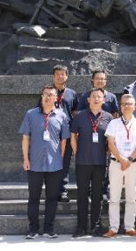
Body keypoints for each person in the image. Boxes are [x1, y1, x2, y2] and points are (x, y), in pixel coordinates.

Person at [19, 85, 70, 239]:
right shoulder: (31, 114)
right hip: (34, 163)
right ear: (41, 96)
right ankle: (33, 229)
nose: (48, 97)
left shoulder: (61, 116)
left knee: (52, 198)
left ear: (56, 98)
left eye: (51, 94)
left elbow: (64, 140)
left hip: (55, 164)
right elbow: (25, 138)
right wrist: (26, 159)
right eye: (45, 94)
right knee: (34, 197)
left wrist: (60, 158)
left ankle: (49, 229)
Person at [70, 88, 114, 238]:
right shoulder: (80, 116)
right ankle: (81, 227)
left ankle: (95, 226)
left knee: (97, 196)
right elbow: (73, 136)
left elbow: (111, 139)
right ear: (88, 99)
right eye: (93, 96)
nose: (96, 99)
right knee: (82, 195)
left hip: (100, 162)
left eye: (99, 97)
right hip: (82, 162)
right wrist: (76, 153)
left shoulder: (108, 117)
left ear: (103, 100)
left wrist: (108, 152)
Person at [104, 94, 136, 238]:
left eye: (129, 104)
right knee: (114, 197)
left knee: (131, 197)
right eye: (124, 104)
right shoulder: (113, 123)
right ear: (121, 107)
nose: (127, 106)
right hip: (116, 163)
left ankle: (130, 227)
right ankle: (113, 228)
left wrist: (129, 160)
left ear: (134, 107)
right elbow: (110, 143)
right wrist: (121, 159)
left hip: (132, 165)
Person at [50, 64, 77, 202]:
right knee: (51, 161)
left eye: (63, 74)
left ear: (67, 76)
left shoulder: (72, 93)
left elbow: (75, 113)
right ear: (53, 76)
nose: (60, 76)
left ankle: (62, 191)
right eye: (57, 74)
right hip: (51, 133)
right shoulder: (48, 92)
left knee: (65, 162)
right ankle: (52, 189)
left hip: (67, 133)